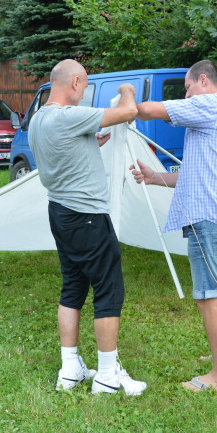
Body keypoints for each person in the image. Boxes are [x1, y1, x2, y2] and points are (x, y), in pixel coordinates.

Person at [131, 60, 217, 392]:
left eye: (187, 88)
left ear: (203, 81)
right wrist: (155, 178)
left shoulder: (211, 104)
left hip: (211, 223)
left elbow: (148, 110)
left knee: (208, 298)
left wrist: (127, 98)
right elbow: (199, 172)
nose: (186, 95)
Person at [29, 59, 147, 395]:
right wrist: (126, 89)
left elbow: (62, 150)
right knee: (109, 290)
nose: (83, 93)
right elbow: (128, 111)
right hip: (88, 216)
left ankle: (70, 369)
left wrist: (88, 143)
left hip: (60, 212)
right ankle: (108, 375)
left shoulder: (39, 119)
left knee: (73, 286)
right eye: (85, 85)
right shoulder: (69, 116)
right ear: (75, 82)